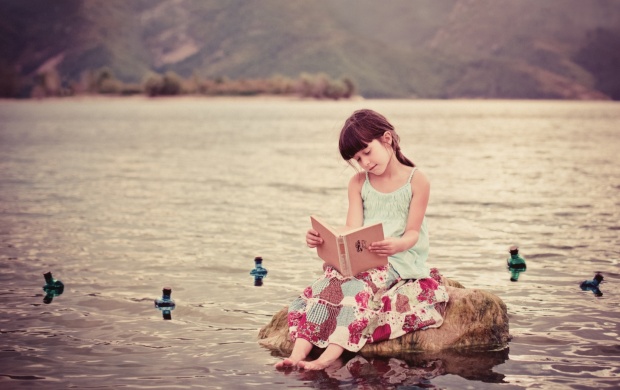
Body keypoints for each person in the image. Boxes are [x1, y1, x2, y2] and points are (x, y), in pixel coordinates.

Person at [275, 109, 449, 370]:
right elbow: (351, 228)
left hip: (397, 259)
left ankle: (327, 357)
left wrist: (396, 244)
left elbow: (413, 233)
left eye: (367, 152)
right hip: (362, 258)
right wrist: (322, 239)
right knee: (327, 286)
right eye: (357, 158)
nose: (364, 162)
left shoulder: (417, 181)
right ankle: (297, 354)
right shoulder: (358, 182)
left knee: (358, 290)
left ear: (387, 139)